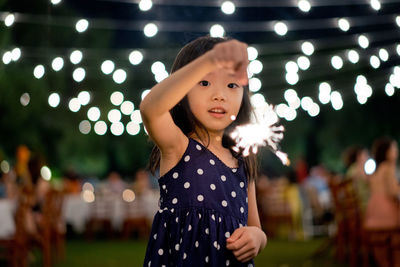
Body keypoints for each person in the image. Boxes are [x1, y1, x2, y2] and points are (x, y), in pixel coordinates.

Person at [140, 36, 267, 266]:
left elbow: (255, 226)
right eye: (205, 82)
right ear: (181, 93)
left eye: (231, 85)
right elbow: (150, 108)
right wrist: (208, 61)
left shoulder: (243, 160)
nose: (219, 95)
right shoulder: (178, 146)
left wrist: (257, 238)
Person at [364, 137, 400, 229]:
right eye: (394, 148)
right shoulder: (388, 167)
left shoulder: (377, 169)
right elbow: (393, 191)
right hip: (386, 212)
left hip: (373, 211)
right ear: (386, 152)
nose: (396, 150)